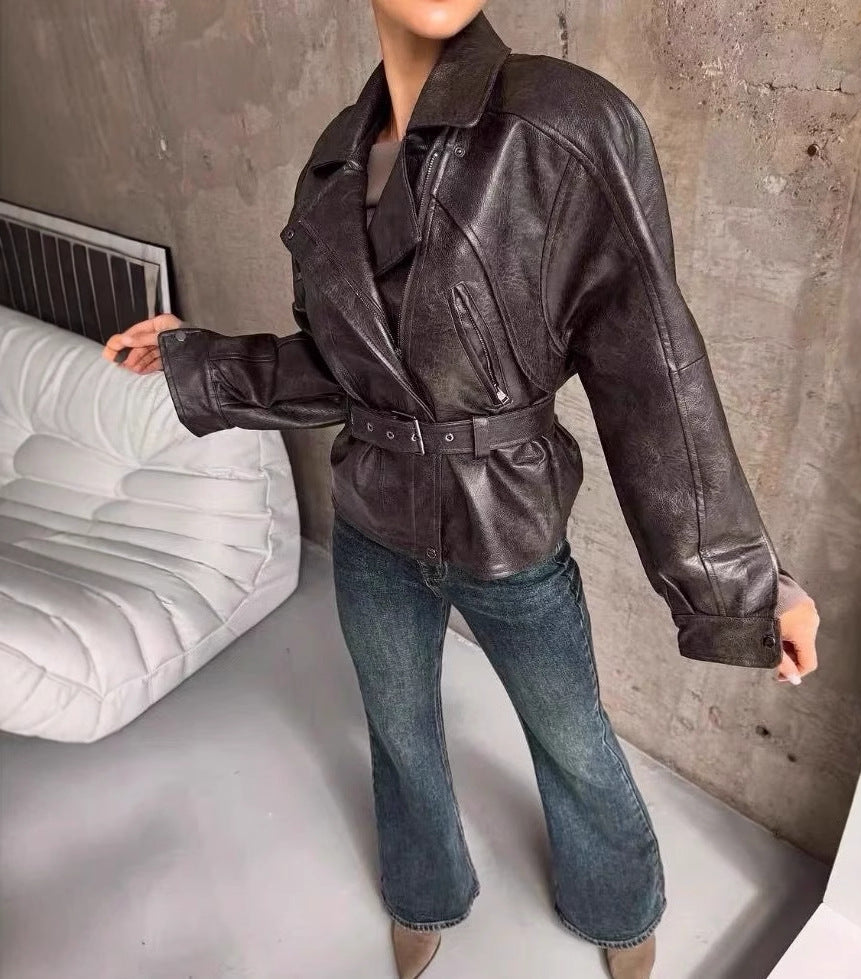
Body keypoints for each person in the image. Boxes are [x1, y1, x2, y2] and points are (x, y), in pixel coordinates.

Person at [103, 3, 820, 977]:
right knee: (398, 730)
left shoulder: (563, 122)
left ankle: (617, 903)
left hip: (507, 521)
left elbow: (651, 369)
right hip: (372, 520)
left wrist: (741, 583)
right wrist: (199, 358)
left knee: (571, 736)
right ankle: (424, 889)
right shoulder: (333, 161)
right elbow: (345, 370)